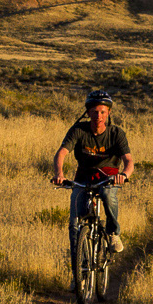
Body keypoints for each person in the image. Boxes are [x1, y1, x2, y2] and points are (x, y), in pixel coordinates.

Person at [50, 88, 133, 256]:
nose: (99, 116)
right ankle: (78, 272)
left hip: (108, 176)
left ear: (109, 112)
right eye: (95, 112)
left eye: (103, 112)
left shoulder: (116, 133)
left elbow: (129, 160)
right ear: (88, 112)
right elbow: (61, 153)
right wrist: (59, 174)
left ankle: (113, 233)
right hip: (84, 176)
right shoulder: (78, 130)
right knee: (75, 224)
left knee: (108, 195)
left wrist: (123, 175)